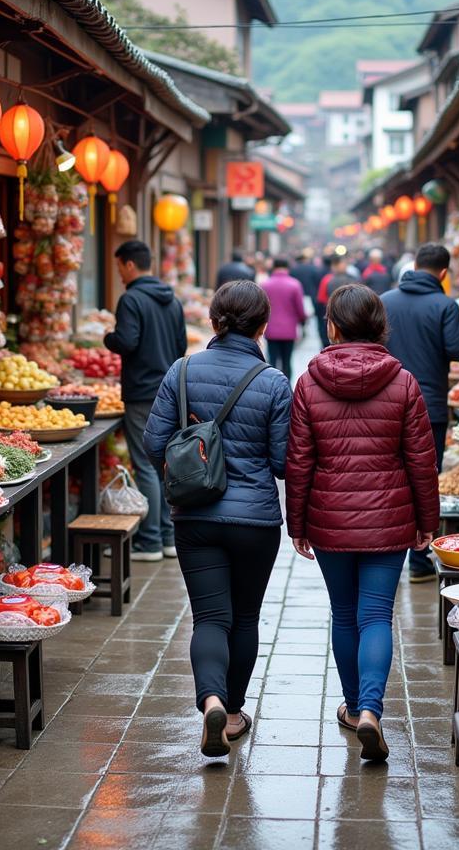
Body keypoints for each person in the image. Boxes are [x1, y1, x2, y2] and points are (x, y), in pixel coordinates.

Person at [286, 284, 439, 761]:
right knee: (376, 614)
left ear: (331, 325)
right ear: (379, 324)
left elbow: (299, 461)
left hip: (329, 518)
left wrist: (296, 524)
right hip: (389, 519)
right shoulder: (403, 381)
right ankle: (372, 709)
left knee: (344, 613)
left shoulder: (310, 383)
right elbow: (421, 460)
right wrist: (427, 521)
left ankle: (354, 708)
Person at [144, 280, 292, 757]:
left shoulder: (181, 371)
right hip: (256, 522)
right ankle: (231, 713)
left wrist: (184, 474)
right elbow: (283, 462)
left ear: (213, 321)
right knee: (244, 617)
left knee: (210, 616)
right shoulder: (272, 382)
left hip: (196, 518)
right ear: (263, 326)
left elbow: (153, 442)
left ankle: (209, 699)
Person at [380, 243, 459, 582]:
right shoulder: (445, 305)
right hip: (429, 407)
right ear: (444, 273)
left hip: (386, 406)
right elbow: (457, 349)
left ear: (414, 264)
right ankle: (419, 562)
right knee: (424, 481)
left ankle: (386, 551)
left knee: (392, 476)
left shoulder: (386, 301)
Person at [104, 240, 188, 561]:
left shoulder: (131, 300)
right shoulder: (173, 300)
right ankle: (168, 538)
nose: (119, 275)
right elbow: (181, 345)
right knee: (165, 465)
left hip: (142, 393)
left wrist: (107, 338)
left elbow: (127, 340)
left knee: (145, 465)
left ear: (128, 265)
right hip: (170, 390)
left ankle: (150, 541)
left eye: (118, 268)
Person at [260, 256, 307, 381]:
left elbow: (260, 307)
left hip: (270, 329)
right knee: (287, 362)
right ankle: (286, 390)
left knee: (272, 361)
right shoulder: (295, 284)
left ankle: (271, 388)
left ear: (273, 267)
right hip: (289, 330)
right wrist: (303, 321)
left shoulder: (265, 284)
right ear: (287, 267)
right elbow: (300, 309)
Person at [315, 254, 360, 346]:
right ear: (334, 266)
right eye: (343, 264)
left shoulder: (352, 278)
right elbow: (322, 300)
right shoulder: (328, 279)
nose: (345, 266)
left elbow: (321, 300)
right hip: (340, 317)